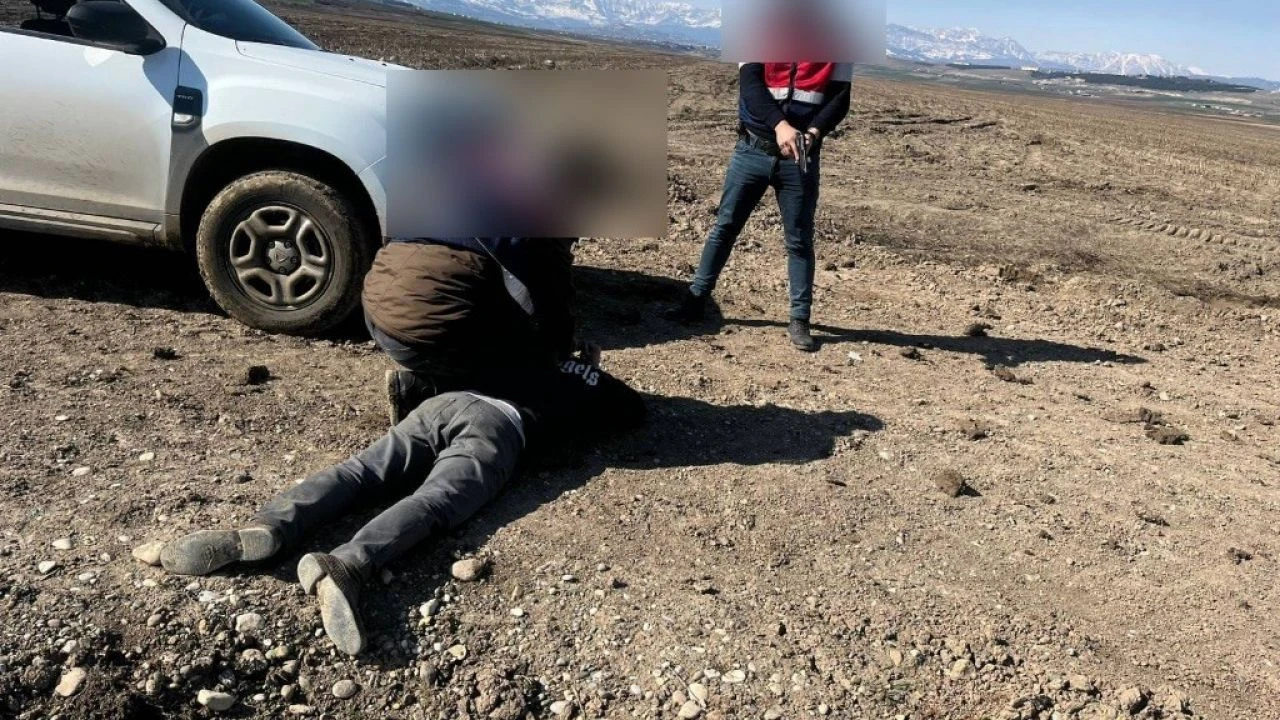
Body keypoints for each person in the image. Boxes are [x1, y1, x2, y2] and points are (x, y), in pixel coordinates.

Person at [153, 348, 645, 656]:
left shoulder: (522, 341)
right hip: (500, 428)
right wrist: (589, 373)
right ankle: (349, 563)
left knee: (358, 473)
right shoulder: (587, 377)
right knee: (435, 501)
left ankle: (269, 527)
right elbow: (634, 412)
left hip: (443, 404)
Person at [665, 59, 853, 352]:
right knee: (725, 226)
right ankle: (696, 299)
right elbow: (750, 83)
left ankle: (800, 319)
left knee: (799, 239)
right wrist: (781, 126)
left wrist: (813, 133)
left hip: (800, 155)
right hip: (752, 149)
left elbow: (840, 98)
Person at [361, 237, 583, 425]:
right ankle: (422, 391)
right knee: (533, 375)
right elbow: (551, 303)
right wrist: (562, 359)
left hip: (375, 311)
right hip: (423, 335)